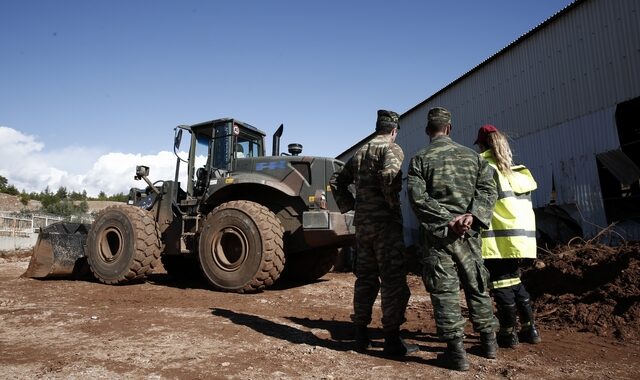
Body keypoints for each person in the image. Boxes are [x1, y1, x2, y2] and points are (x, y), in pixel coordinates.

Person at [407, 107, 498, 371]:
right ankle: (489, 343)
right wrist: (471, 216)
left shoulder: (419, 159)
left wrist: (447, 220)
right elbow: (488, 189)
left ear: (428, 130)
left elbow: (418, 199)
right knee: (477, 283)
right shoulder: (473, 157)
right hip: (469, 232)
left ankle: (456, 353)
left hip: (438, 235)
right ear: (449, 128)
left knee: (445, 290)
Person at [330, 109, 417, 357]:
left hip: (363, 226)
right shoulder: (391, 149)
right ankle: (391, 340)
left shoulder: (360, 152)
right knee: (392, 281)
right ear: (394, 130)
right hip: (385, 227)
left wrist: (351, 206)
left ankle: (360, 335)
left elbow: (337, 181)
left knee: (366, 279)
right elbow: (390, 175)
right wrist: (390, 204)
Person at [474, 124, 541, 348]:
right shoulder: (517, 172)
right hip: (521, 240)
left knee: (501, 285)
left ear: (483, 145)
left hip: (498, 239)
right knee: (515, 281)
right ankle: (530, 330)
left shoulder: (484, 168)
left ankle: (508, 333)